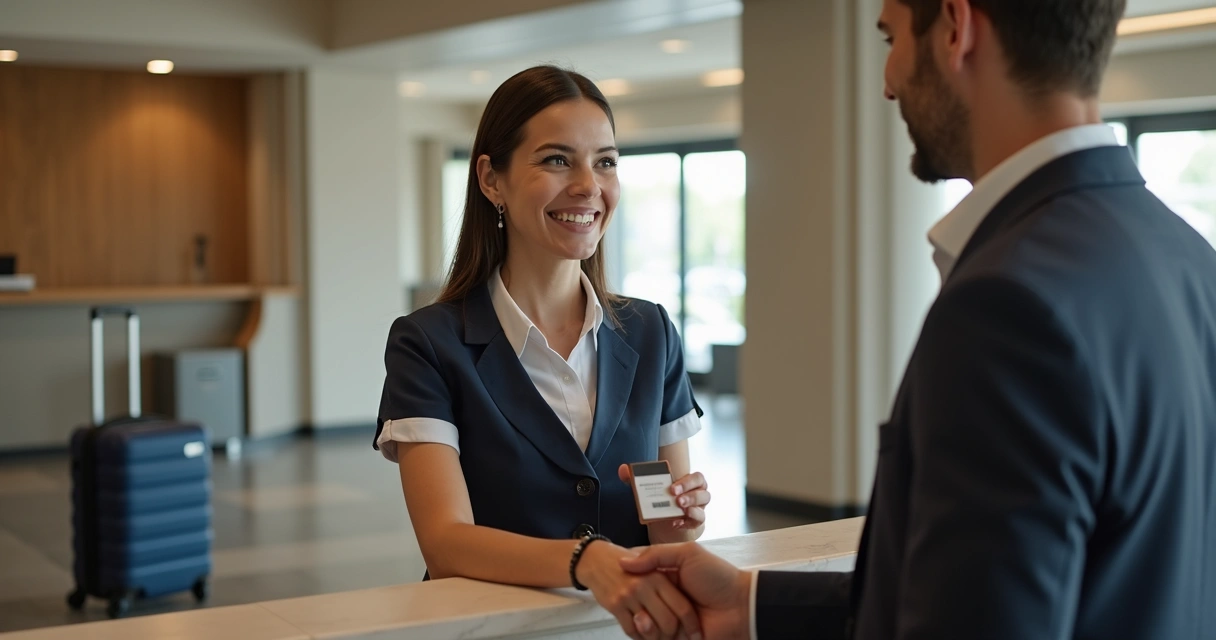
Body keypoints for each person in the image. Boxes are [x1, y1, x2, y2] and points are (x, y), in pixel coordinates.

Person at [619, 0, 1216, 638]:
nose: (888, 80)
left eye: (891, 38)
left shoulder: (1005, 306)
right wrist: (749, 602)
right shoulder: (1190, 258)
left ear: (955, 28)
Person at [374, 65, 711, 640]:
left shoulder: (650, 331)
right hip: (491, 630)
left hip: (621, 628)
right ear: (491, 179)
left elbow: (667, 533)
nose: (588, 185)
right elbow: (446, 541)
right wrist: (586, 560)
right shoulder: (428, 343)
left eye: (605, 161)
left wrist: (681, 517)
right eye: (557, 160)